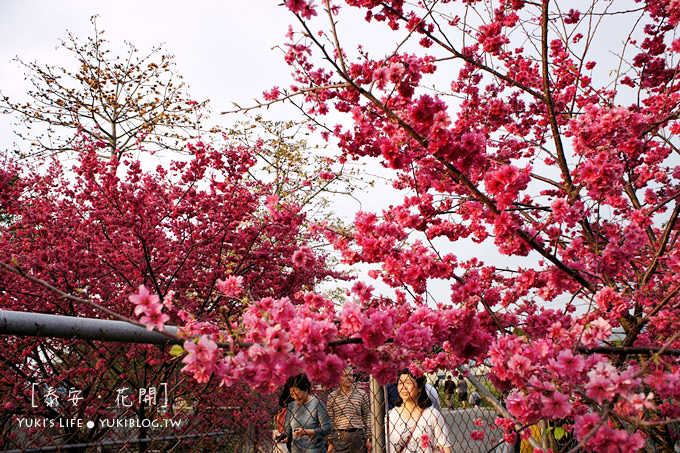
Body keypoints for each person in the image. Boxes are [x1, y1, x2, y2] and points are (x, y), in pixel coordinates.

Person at [387, 370, 452, 453]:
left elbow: (445, 446)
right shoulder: (390, 416)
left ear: (420, 387)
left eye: (408, 382)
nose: (403, 386)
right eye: (400, 383)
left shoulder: (432, 414)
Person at [283, 373, 332, 453]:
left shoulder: (317, 404)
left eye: (298, 394)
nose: (295, 397)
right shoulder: (291, 406)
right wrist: (285, 437)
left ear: (306, 389)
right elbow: (287, 428)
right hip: (296, 450)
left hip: (315, 450)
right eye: (292, 394)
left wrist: (306, 432)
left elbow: (327, 428)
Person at [327, 368, 372, 453]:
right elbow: (330, 420)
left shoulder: (361, 394)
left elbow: (367, 416)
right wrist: (330, 441)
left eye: (350, 375)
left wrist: (368, 438)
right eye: (345, 376)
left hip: (357, 434)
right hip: (340, 435)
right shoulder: (332, 397)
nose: (348, 378)